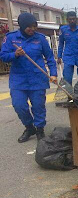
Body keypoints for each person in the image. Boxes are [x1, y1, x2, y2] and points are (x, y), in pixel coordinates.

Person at [0, 13, 57, 142]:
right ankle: (29, 127)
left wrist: (53, 74)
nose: (32, 29)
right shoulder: (11, 38)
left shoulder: (40, 39)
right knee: (19, 105)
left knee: (38, 106)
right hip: (18, 79)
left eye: (34, 26)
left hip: (37, 78)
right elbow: (3, 56)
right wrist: (15, 54)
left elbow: (49, 58)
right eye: (29, 27)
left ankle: (40, 129)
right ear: (22, 26)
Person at [57, 11, 78, 85]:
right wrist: (59, 56)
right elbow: (61, 44)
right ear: (67, 20)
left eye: (73, 19)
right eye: (70, 19)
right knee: (67, 78)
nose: (72, 21)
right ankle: (69, 95)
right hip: (68, 56)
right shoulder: (63, 30)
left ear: (76, 19)